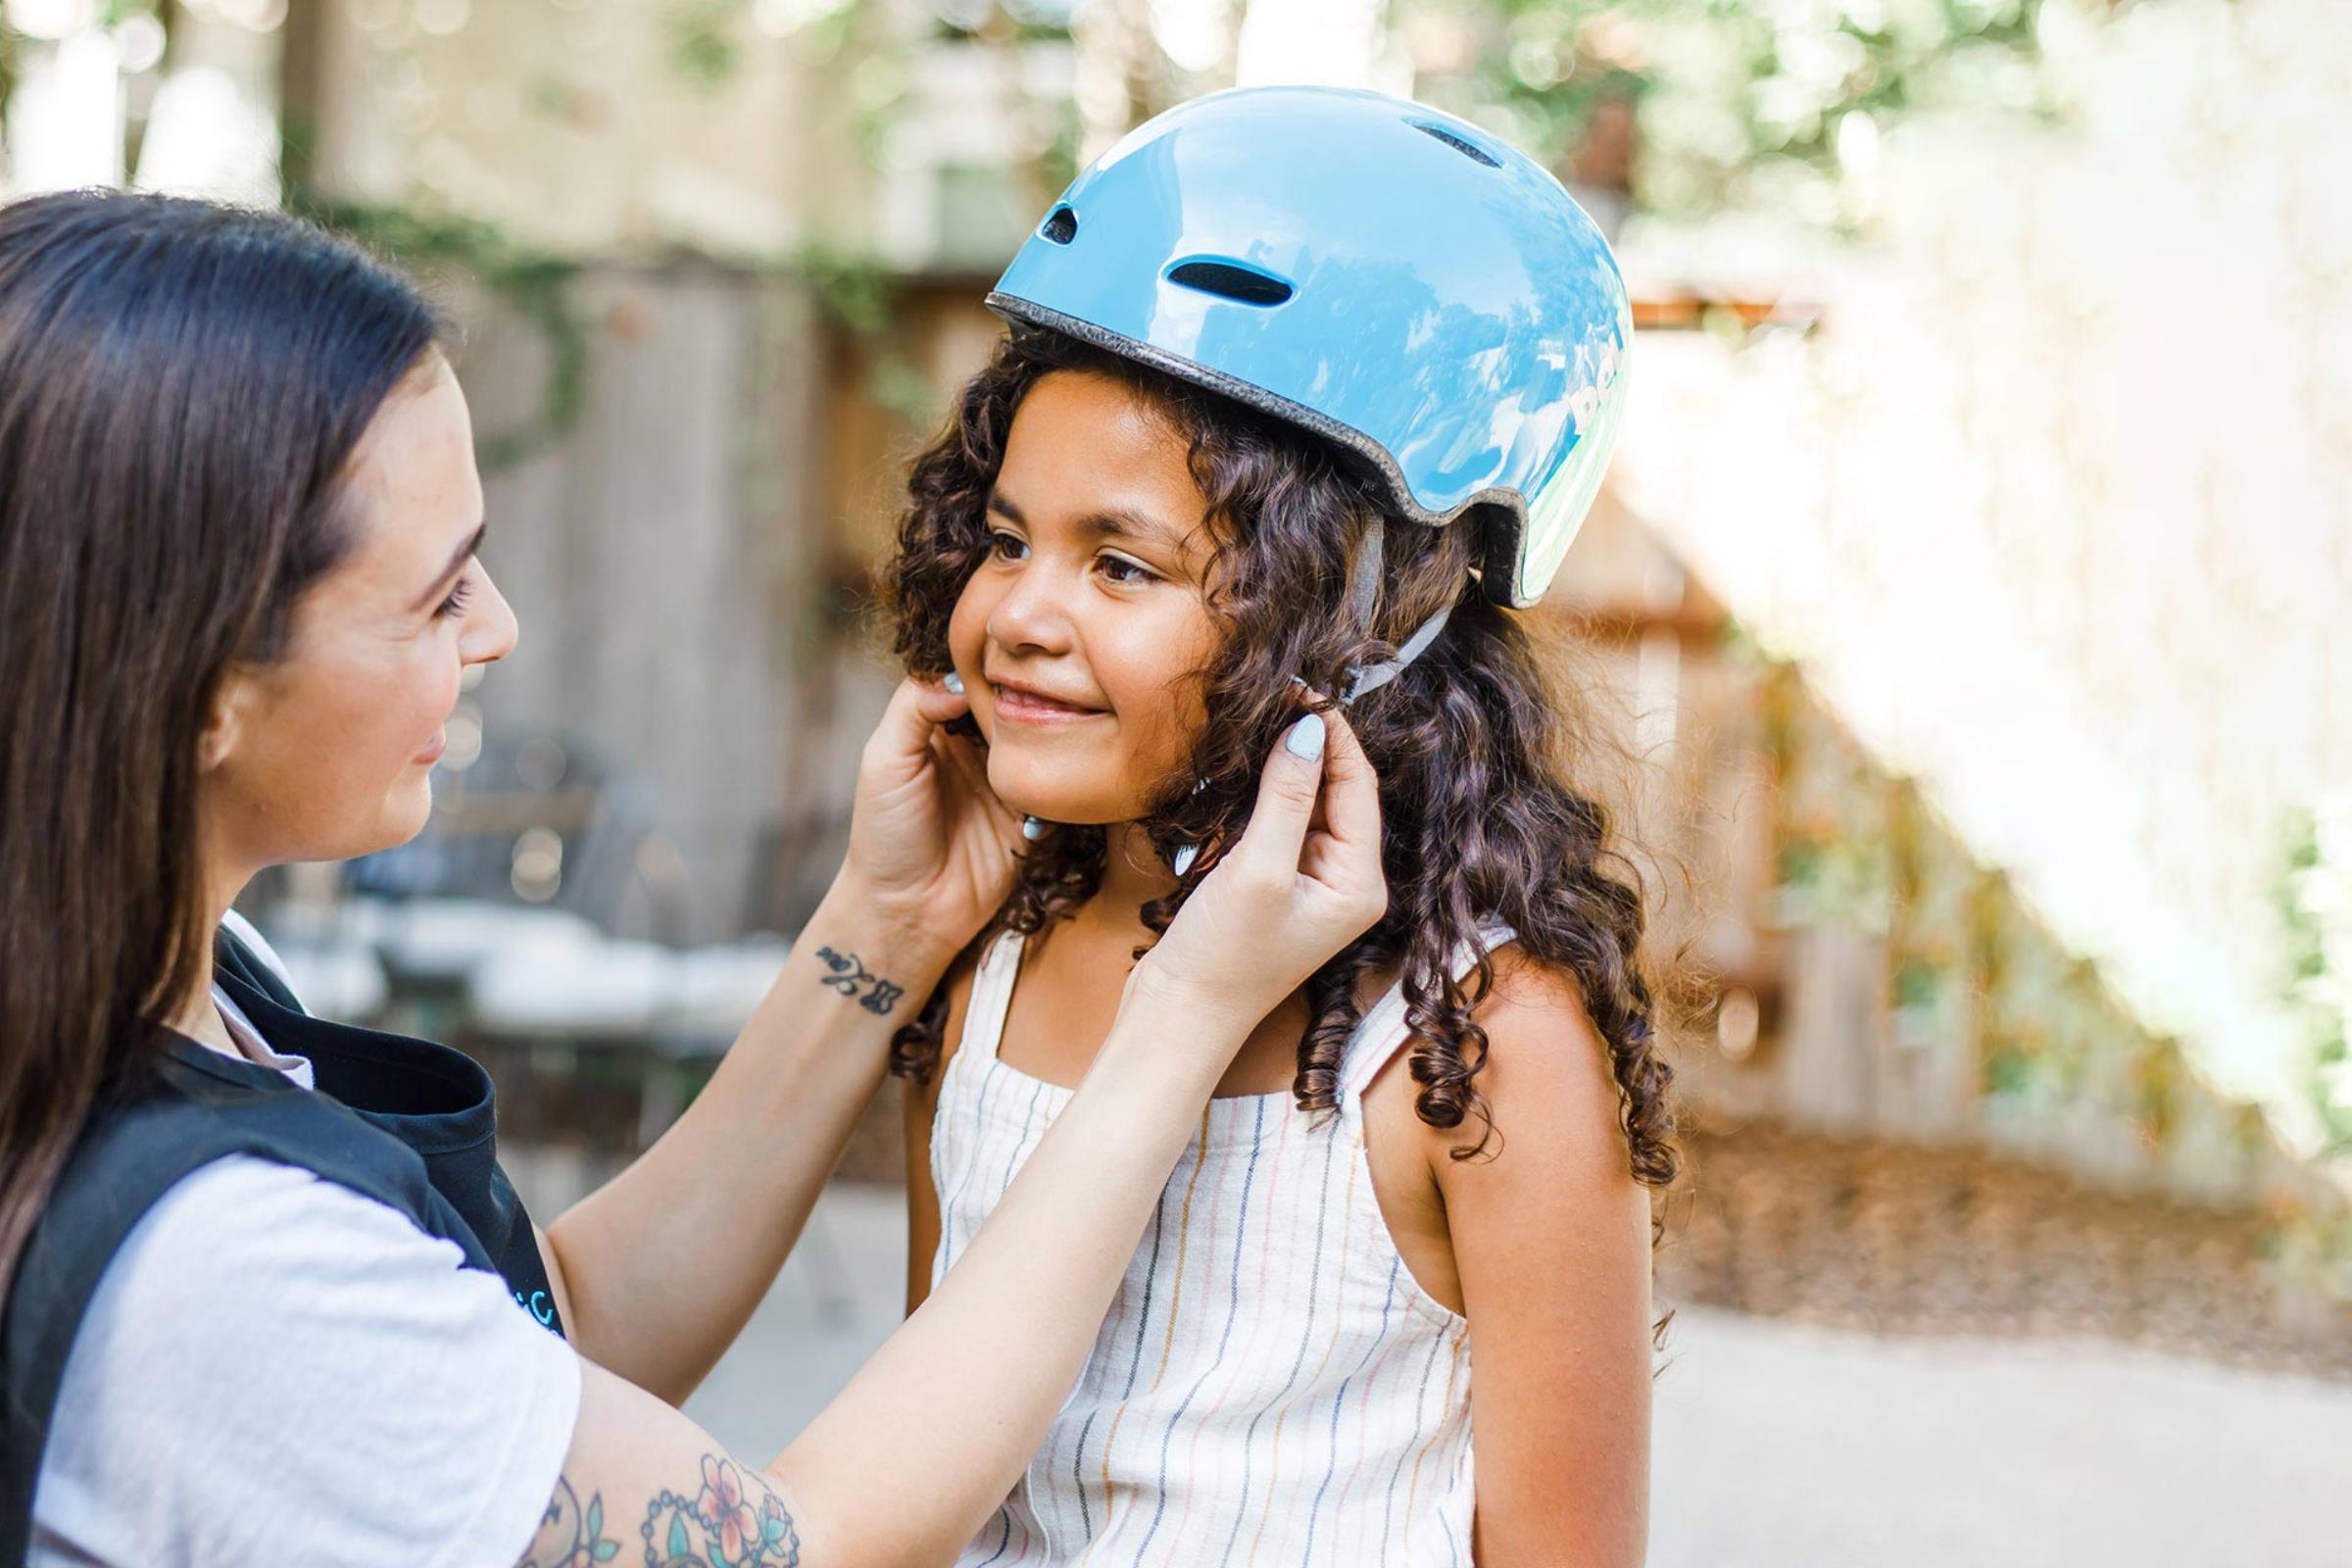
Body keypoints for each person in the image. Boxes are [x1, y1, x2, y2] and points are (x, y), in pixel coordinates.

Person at [0, 187, 1388, 1568]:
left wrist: (888, 926)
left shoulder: (191, 985)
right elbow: (803, 1549)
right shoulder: (209, 1272)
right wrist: (1181, 1021)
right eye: (438, 593)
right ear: (194, 690)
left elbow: (549, 1331)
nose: (499, 628)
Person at [888, 87, 1673, 1567]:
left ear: (1372, 610)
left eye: (1122, 566)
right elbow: (920, 1474)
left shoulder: (1483, 1039)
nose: (1019, 616)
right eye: (1005, 541)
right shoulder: (995, 954)